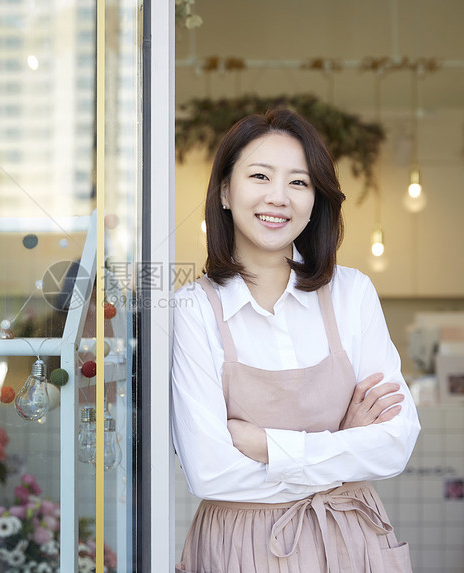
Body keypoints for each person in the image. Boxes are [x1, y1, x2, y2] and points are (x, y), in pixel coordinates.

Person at [171, 110, 420, 572]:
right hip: (238, 549)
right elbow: (210, 471)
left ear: (315, 199)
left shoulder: (352, 293)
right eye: (260, 176)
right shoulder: (193, 308)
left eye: (299, 182)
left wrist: (267, 446)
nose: (278, 197)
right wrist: (344, 445)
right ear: (225, 191)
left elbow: (396, 443)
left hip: (351, 541)